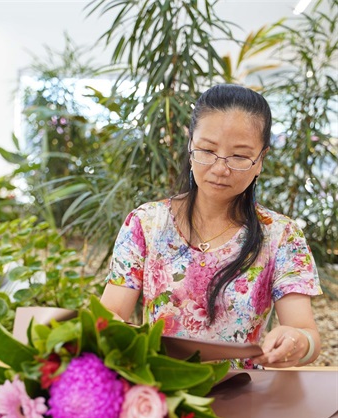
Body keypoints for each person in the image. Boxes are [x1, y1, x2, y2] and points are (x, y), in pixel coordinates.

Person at [100, 83, 322, 369]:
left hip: (245, 393)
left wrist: (296, 342)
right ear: (190, 145)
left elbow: (307, 334)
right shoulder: (146, 223)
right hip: (160, 393)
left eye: (239, 156)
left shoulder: (280, 235)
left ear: (260, 160)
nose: (220, 168)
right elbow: (110, 312)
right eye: (207, 150)